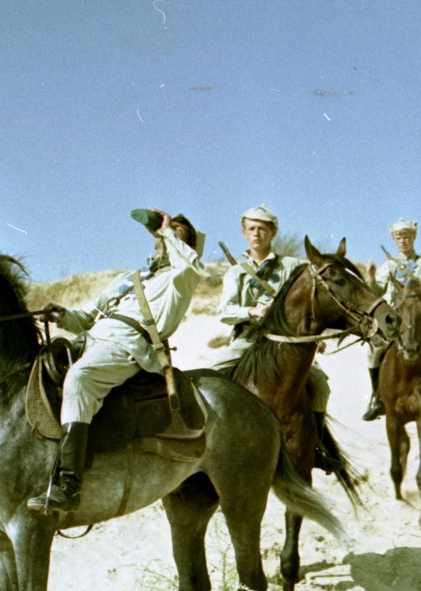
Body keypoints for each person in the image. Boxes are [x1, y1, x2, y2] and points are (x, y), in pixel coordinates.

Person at [28, 208, 205, 516]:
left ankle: (69, 484)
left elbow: (189, 264)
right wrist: (63, 315)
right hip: (92, 339)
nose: (166, 235)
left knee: (80, 379)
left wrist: (167, 231)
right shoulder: (128, 280)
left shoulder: (181, 278)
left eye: (179, 233)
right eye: (165, 232)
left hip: (128, 345)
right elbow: (86, 317)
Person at [210, 204, 334, 467]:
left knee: (320, 385)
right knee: (211, 374)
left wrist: (313, 336)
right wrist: (252, 311)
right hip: (249, 339)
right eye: (251, 229)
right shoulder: (236, 271)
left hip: (286, 342)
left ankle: (318, 447)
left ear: (273, 233)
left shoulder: (291, 266)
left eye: (262, 229)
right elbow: (225, 311)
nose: (257, 234)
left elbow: (307, 302)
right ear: (244, 233)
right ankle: (211, 443)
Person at [362, 218, 421, 421]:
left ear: (413, 237)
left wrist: (420, 302)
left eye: (406, 237)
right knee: (374, 351)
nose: (403, 241)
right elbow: (376, 291)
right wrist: (371, 277)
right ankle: (376, 398)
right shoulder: (388, 266)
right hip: (396, 318)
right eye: (399, 237)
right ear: (394, 240)